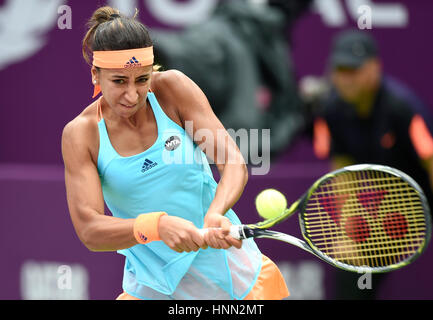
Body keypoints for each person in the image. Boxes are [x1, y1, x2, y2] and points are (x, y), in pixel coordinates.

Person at [61, 6, 289, 300]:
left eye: (142, 79)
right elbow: (89, 229)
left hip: (239, 283)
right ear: (96, 74)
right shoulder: (82, 134)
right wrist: (155, 226)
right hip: (152, 290)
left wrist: (215, 213)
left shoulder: (173, 90)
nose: (132, 95)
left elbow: (232, 161)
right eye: (119, 81)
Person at [312, 29, 433, 299]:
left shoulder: (402, 108)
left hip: (425, 194)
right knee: (351, 272)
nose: (345, 79)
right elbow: (343, 173)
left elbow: (431, 160)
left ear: (374, 68)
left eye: (353, 70)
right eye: (340, 70)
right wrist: (348, 231)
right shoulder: (331, 110)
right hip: (393, 206)